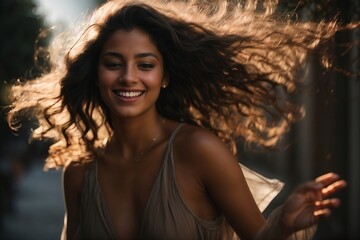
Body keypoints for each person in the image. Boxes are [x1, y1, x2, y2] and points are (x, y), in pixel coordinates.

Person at [6, 0, 354, 239]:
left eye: (145, 64)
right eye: (114, 63)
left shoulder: (198, 151)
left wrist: (282, 228)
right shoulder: (80, 172)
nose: (129, 77)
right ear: (96, 75)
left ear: (165, 76)